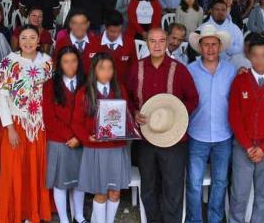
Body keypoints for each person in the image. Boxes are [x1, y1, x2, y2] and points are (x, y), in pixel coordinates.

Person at [127, 28, 199, 223]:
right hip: (145, 139)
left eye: (161, 41)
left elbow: (193, 99)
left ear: (167, 42)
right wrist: (134, 112)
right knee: (149, 188)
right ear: (147, 43)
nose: (157, 45)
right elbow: (127, 97)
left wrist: (177, 117)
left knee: (173, 188)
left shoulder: (179, 69)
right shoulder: (136, 68)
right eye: (152, 41)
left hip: (175, 141)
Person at [0, 25, 53, 222]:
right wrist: (9, 127)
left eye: (32, 37)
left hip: (39, 126)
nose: (28, 42)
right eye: (24, 38)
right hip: (16, 124)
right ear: (18, 41)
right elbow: (1, 97)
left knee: (36, 170)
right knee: (14, 170)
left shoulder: (48, 63)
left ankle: (32, 212)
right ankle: (14, 212)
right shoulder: (9, 63)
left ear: (39, 40)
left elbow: (53, 94)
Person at [228, 36, 264, 223]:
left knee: (263, 195)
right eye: (255, 56)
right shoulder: (240, 81)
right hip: (242, 146)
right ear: (249, 56)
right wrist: (247, 146)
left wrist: (263, 148)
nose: (259, 60)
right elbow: (234, 116)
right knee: (239, 194)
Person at [185, 25, 237, 223]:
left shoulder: (230, 70)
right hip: (197, 134)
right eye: (206, 45)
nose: (210, 49)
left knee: (220, 182)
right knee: (194, 183)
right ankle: (194, 220)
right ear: (200, 47)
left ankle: (215, 219)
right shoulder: (190, 70)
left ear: (220, 46)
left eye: (214, 44)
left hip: (224, 135)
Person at [73, 53, 132, 223]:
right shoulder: (84, 93)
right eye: (102, 68)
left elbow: (126, 117)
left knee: (115, 191)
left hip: (116, 148)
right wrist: (88, 138)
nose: (106, 72)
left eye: (110, 68)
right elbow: (76, 123)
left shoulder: (119, 89)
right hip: (96, 149)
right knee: (100, 192)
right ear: (94, 70)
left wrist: (126, 128)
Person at [44, 46, 87, 223]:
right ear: (59, 64)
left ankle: (79, 215)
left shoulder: (86, 84)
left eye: (74, 61)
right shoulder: (50, 86)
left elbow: (91, 113)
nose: (70, 65)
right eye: (66, 61)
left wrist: (79, 137)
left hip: (80, 139)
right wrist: (69, 135)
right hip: (58, 140)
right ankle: (63, 219)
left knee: (79, 181)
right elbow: (48, 116)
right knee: (60, 183)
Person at [87, 11, 136, 86]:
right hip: (98, 87)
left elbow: (134, 68)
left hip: (123, 88)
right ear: (105, 28)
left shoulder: (129, 42)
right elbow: (88, 69)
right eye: (112, 31)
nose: (116, 34)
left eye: (119, 31)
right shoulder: (93, 42)